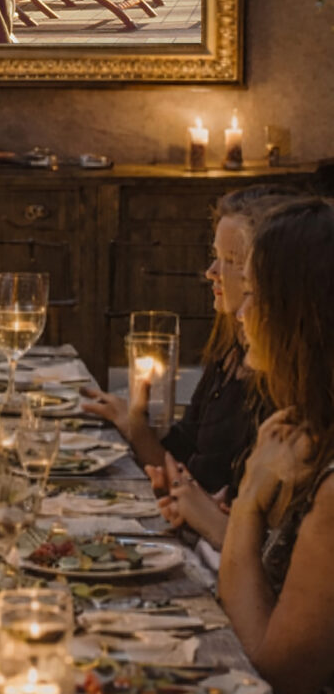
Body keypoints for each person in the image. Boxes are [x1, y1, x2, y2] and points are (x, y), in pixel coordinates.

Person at [82, 186, 294, 518]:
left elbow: (215, 500)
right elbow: (185, 462)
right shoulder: (230, 352)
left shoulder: (281, 385)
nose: (211, 272)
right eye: (215, 256)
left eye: (230, 260)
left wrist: (139, 432)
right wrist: (136, 424)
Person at [218, 197, 334, 694]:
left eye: (254, 294)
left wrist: (247, 502)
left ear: (300, 315)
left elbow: (278, 674)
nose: (241, 313)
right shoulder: (300, 428)